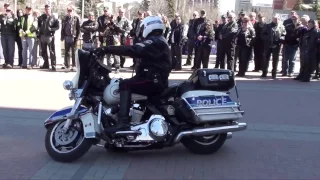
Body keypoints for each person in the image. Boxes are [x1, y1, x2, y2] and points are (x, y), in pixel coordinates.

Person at [94, 16, 171, 132]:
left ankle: (123, 122)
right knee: (119, 81)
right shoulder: (158, 40)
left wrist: (106, 49)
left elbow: (133, 49)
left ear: (149, 27)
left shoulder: (155, 41)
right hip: (153, 78)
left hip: (153, 80)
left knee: (125, 85)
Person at [261, 14, 286, 79]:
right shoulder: (267, 26)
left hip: (276, 45)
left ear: (279, 19)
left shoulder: (281, 26)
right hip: (268, 45)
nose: (275, 20)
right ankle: (264, 72)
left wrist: (282, 38)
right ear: (272, 19)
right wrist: (267, 38)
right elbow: (262, 34)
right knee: (266, 59)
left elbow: (284, 34)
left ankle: (274, 73)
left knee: (275, 60)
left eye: (277, 19)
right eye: (274, 19)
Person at [38, 4, 59, 71]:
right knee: (43, 51)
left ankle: (53, 65)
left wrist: (51, 29)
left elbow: (58, 27)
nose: (47, 10)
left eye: (48, 9)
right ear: (45, 10)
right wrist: (39, 35)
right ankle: (45, 64)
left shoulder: (54, 17)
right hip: (43, 36)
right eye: (46, 9)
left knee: (52, 51)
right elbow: (38, 26)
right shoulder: (41, 17)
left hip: (50, 36)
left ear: (50, 9)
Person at [61, 6, 80, 71]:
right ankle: (67, 65)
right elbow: (62, 28)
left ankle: (74, 65)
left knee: (74, 52)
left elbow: (78, 29)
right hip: (67, 37)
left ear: (73, 11)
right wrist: (62, 36)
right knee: (67, 52)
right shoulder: (65, 18)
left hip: (73, 37)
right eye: (68, 10)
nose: (69, 12)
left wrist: (77, 37)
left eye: (70, 10)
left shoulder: (76, 18)